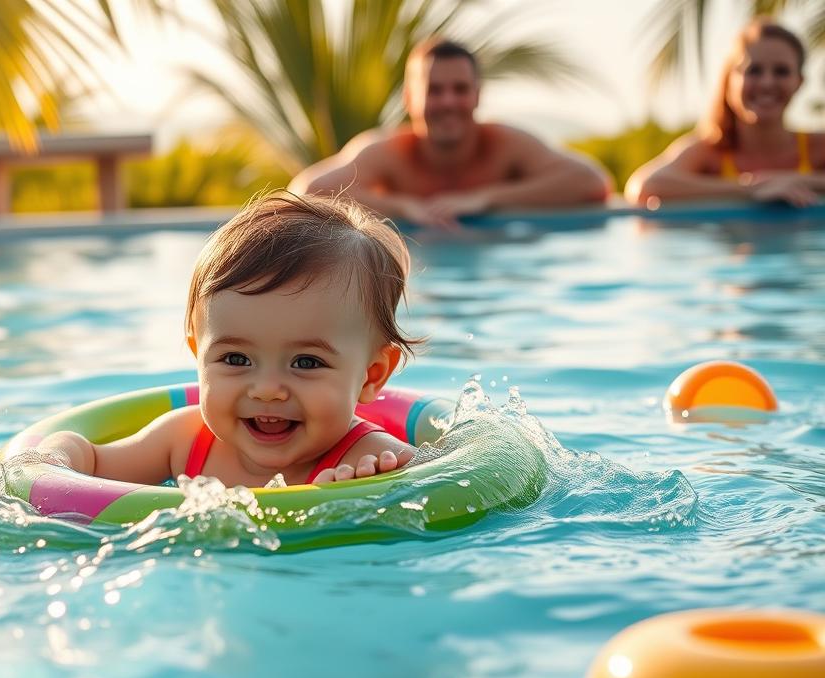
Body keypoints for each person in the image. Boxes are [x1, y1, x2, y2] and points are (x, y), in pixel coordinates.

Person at [39, 193, 420, 488]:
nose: (268, 390)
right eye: (236, 359)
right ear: (198, 356)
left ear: (371, 376)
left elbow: (444, 488)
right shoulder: (182, 442)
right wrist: (55, 454)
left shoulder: (373, 460)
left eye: (306, 362)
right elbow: (89, 462)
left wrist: (369, 497)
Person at [288, 39, 611, 229]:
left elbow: (592, 183)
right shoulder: (388, 151)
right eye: (435, 90)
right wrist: (404, 206)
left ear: (478, 95)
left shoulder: (505, 144)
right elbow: (307, 191)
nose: (448, 102)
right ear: (411, 98)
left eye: (460, 89)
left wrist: (485, 198)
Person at [626, 19, 824, 207]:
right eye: (753, 71)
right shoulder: (710, 150)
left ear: (799, 82)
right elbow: (644, 187)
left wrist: (791, 180)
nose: (767, 83)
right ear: (729, 80)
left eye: (781, 71)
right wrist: (752, 187)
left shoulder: (817, 147)